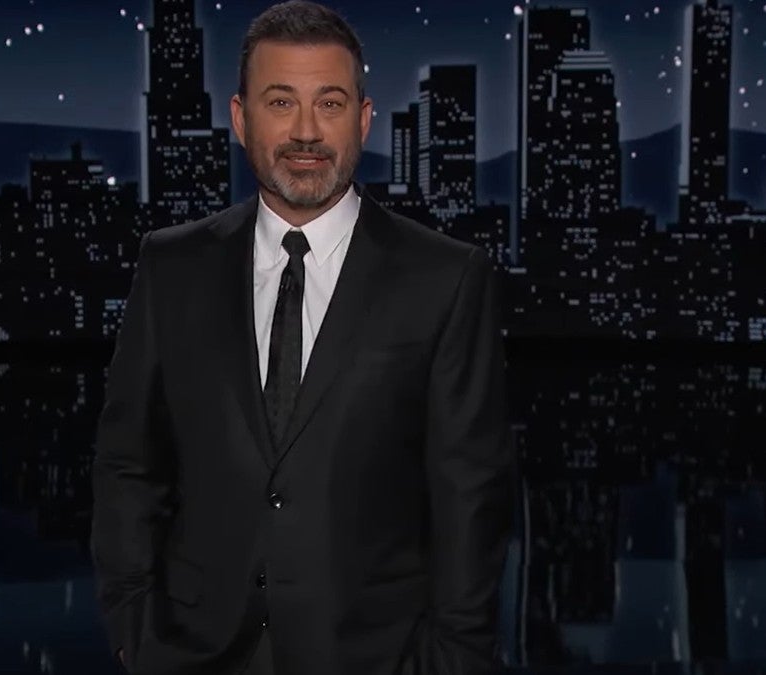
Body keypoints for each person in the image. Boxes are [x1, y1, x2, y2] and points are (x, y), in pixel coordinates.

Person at [90, 1, 513, 673]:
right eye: (281, 102)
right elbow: (129, 463)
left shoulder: (445, 277)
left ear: (364, 120)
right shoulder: (171, 266)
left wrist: (452, 658)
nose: (307, 131)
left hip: (376, 655)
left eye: (331, 103)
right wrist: (133, 629)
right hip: (193, 651)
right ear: (241, 118)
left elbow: (471, 496)